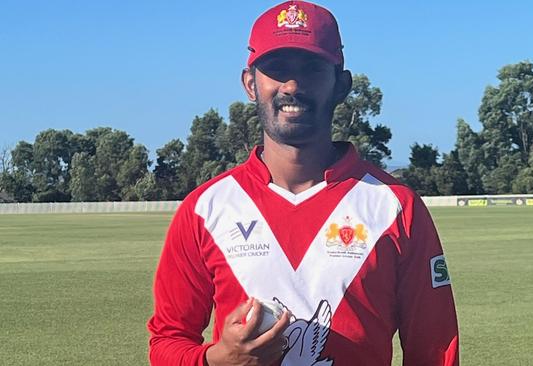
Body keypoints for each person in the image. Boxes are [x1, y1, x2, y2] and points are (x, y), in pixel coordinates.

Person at [147, 1, 459, 365]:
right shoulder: (205, 209)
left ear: (341, 85)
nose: (292, 85)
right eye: (276, 69)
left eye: (311, 68)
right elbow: (168, 340)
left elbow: (435, 350)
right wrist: (216, 360)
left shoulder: (395, 206)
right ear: (250, 84)